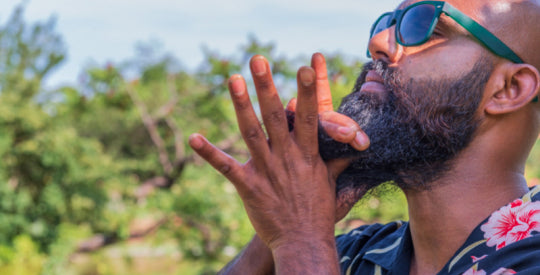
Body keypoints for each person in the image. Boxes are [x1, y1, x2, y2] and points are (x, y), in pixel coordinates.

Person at [189, 0, 540, 274]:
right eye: (385, 24)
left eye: (426, 26)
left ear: (509, 89)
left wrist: (300, 239)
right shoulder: (357, 255)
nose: (377, 43)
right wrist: (285, 220)